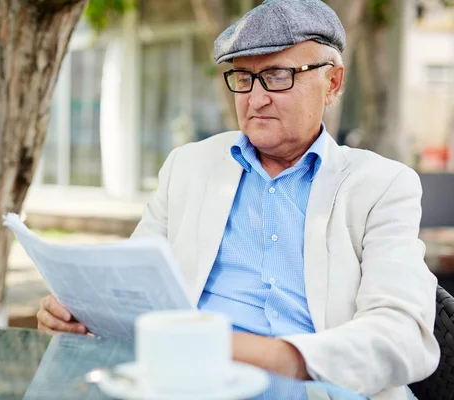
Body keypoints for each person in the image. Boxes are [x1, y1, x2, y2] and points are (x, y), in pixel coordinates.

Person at [36, 1, 439, 399]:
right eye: (243, 78)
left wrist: (277, 356)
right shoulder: (188, 167)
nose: (256, 99)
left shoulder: (382, 185)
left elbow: (403, 332)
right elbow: (133, 291)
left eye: (278, 76)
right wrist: (83, 316)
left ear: (332, 83)